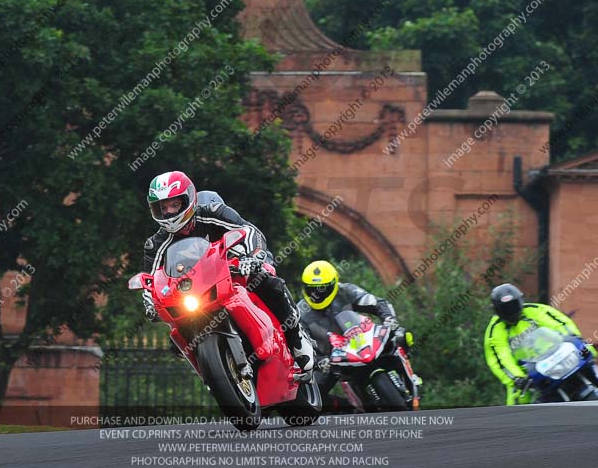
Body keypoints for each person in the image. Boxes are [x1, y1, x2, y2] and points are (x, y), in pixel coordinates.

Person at [140, 171, 314, 372]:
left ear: (188, 199)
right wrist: (150, 301)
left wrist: (253, 257)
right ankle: (213, 374)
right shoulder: (155, 244)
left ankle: (295, 337)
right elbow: (150, 279)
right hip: (199, 285)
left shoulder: (212, 212)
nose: (169, 212)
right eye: (163, 207)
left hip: (238, 263)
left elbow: (249, 231)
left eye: (175, 204)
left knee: (268, 282)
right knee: (176, 334)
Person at [297, 260, 407, 409]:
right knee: (310, 393)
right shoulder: (300, 312)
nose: (318, 294)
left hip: (361, 340)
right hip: (332, 360)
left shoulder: (347, 291)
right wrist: (318, 360)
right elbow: (300, 342)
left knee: (401, 335)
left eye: (323, 288)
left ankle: (409, 378)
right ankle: (345, 407)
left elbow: (378, 303)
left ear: (334, 283)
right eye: (312, 289)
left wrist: (389, 319)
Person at [483, 283, 598, 405]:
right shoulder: (495, 330)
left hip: (557, 358)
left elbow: (560, 323)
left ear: (521, 301)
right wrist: (517, 378)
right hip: (530, 375)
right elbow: (501, 359)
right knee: (518, 400)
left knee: (588, 361)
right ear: (497, 310)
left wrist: (575, 339)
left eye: (513, 305)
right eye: (505, 309)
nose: (510, 311)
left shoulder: (535, 311)